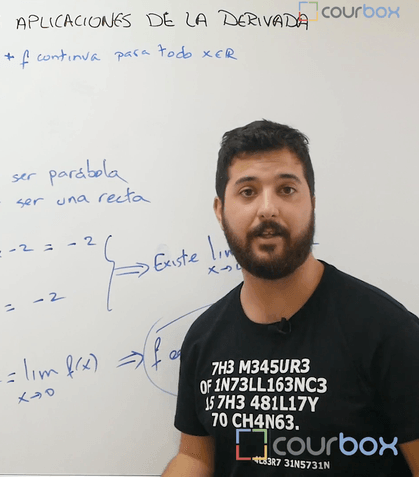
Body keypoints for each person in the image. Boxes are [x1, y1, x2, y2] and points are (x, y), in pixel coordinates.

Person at [162, 120, 419, 476]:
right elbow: (196, 457)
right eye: (248, 192)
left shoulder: (389, 333)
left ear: (311, 203)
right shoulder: (204, 338)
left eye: (286, 189)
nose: (268, 209)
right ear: (220, 211)